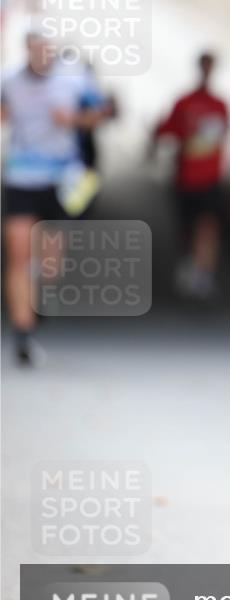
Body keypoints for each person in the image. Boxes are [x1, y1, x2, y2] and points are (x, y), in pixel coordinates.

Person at [1, 32, 108, 364]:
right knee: (18, 255)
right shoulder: (9, 79)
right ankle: (23, 334)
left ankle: (40, 292)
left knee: (49, 264)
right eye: (37, 48)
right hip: (20, 176)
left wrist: (73, 119)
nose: (42, 54)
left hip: (61, 178)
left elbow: (102, 113)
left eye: (47, 49)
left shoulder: (74, 79)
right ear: (28, 49)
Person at [151, 51, 230, 299]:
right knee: (187, 228)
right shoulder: (184, 103)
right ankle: (189, 261)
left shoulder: (220, 105)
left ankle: (203, 273)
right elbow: (165, 130)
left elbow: (223, 137)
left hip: (210, 178)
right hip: (185, 178)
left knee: (208, 225)